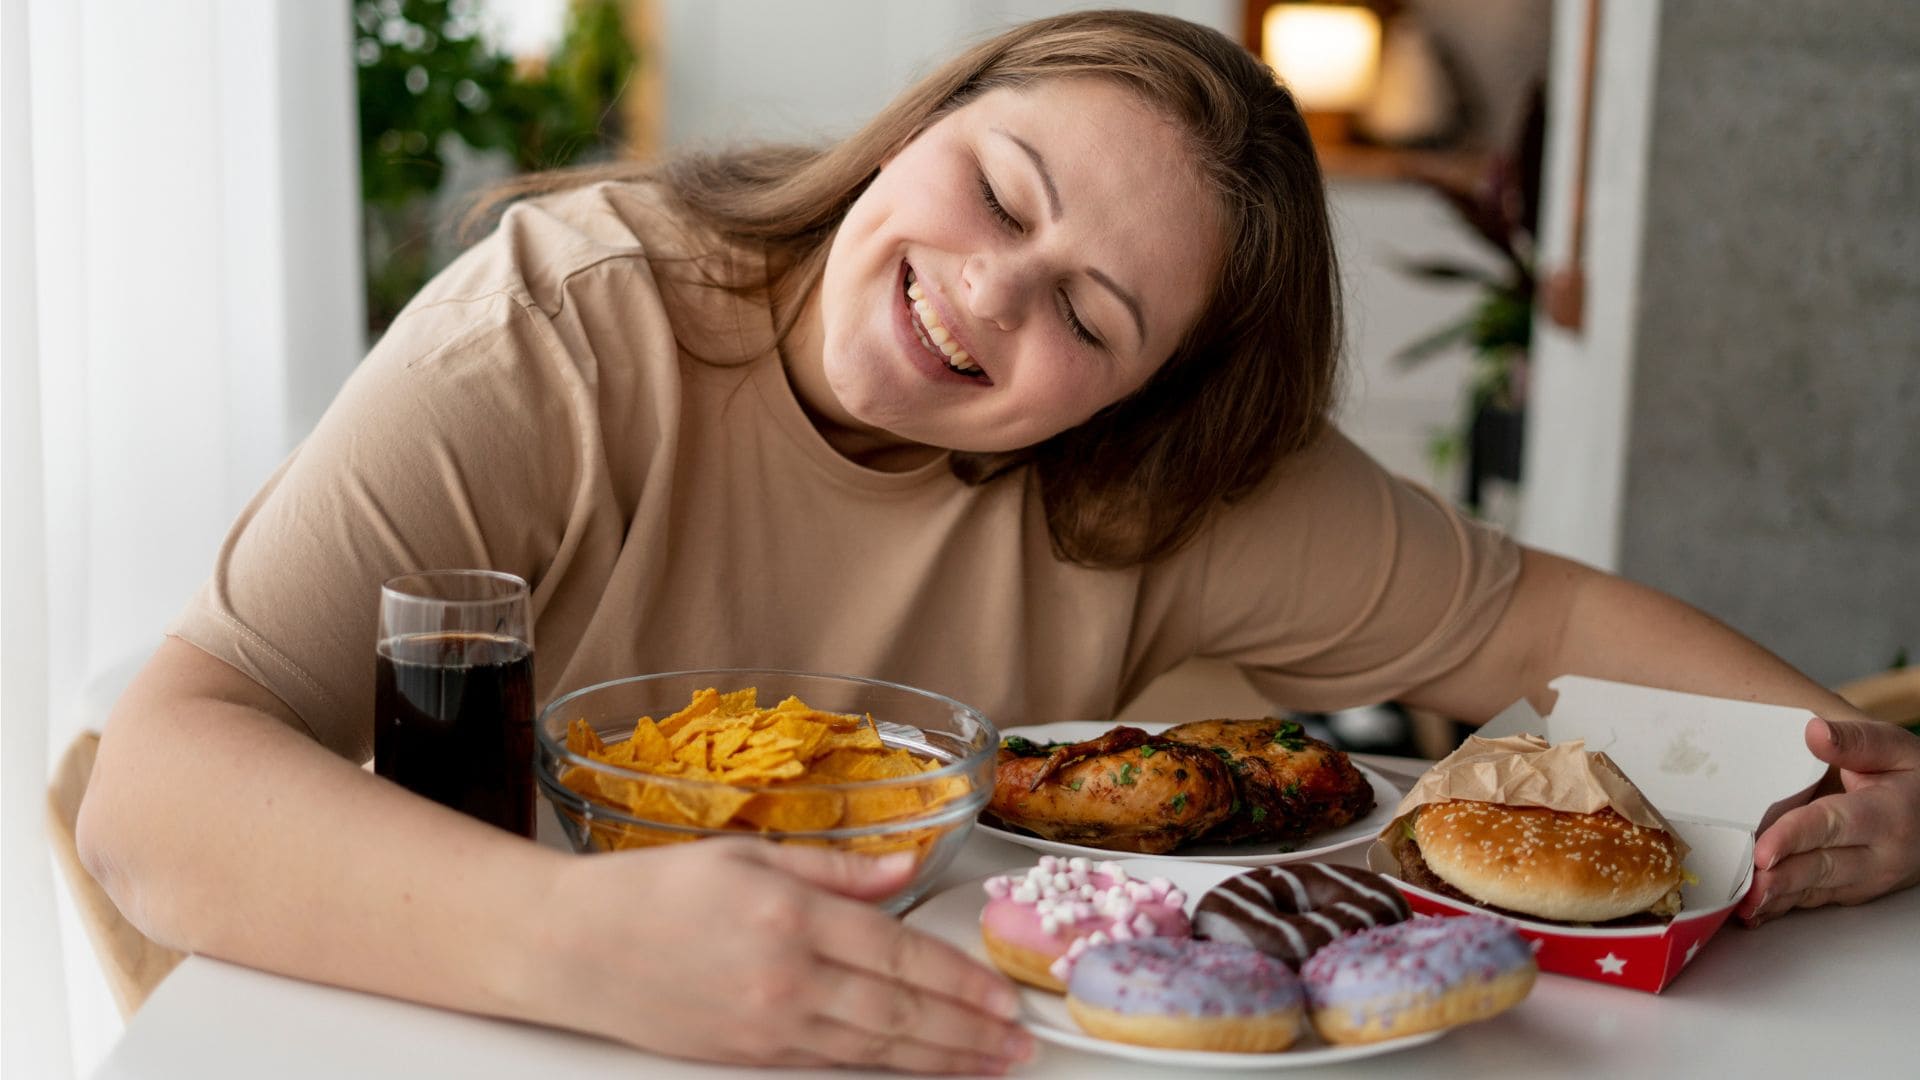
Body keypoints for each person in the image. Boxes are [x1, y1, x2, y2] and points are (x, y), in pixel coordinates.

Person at [78, 9, 1917, 1073]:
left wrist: (1856, 771)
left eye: (1093, 319)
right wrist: (580, 942)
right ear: (923, 127)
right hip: (486, 1017)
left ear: (1134, 405)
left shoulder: (1172, 484)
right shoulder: (565, 330)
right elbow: (151, 791)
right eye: (998, 191)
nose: (985, 291)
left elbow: (1543, 613)